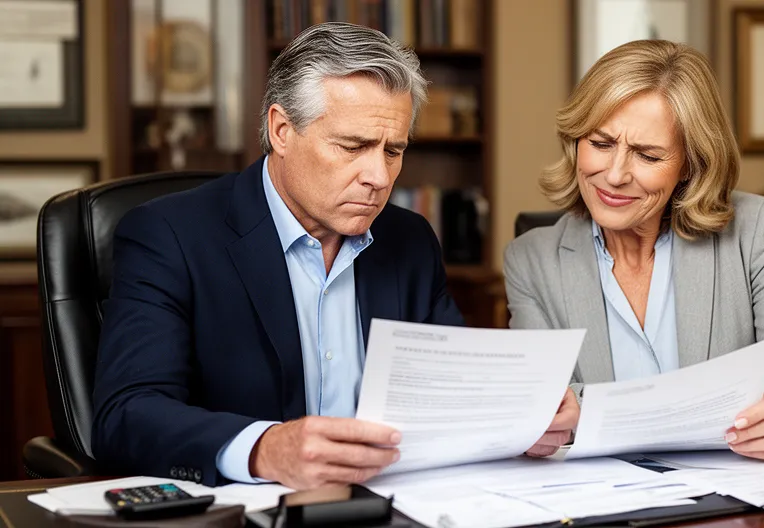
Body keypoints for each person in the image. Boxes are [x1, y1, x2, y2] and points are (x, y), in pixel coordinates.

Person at [92, 23, 556, 490]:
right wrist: (265, 449)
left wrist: (527, 412)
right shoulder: (169, 235)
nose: (378, 175)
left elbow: (453, 387)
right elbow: (127, 414)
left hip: (393, 503)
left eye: (393, 151)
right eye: (352, 147)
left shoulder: (409, 239)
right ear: (281, 130)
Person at [506, 40, 764, 461]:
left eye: (647, 155)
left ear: (690, 164)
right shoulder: (530, 260)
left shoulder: (752, 228)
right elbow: (540, 402)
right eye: (600, 143)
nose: (614, 175)